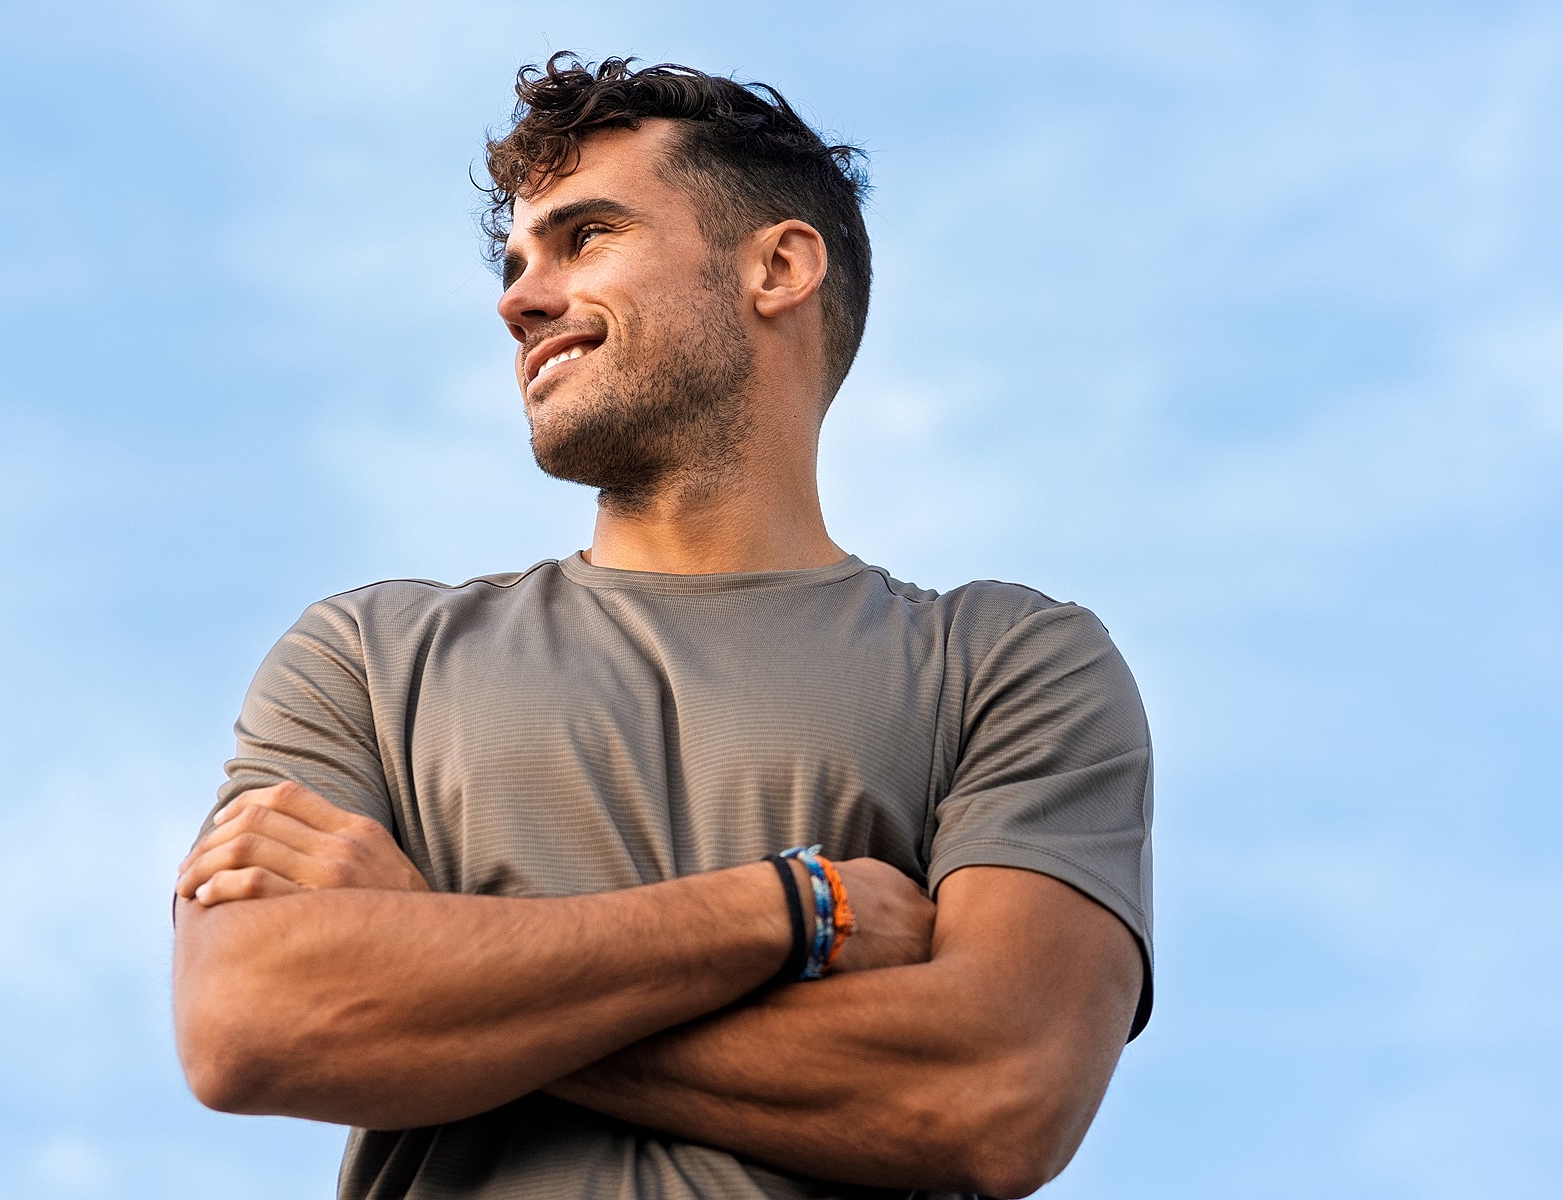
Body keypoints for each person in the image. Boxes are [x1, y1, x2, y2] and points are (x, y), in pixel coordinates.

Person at [171, 54, 1153, 1200]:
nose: (517, 299)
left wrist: (431, 957)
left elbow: (993, 1095)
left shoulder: (1006, 663)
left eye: (586, 236)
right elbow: (251, 1019)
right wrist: (791, 911)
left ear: (777, 267)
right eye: (515, 258)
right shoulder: (370, 657)